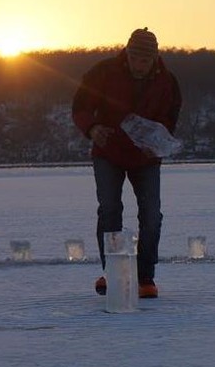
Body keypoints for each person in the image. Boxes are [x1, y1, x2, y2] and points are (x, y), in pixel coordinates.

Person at [72, 28, 182, 298]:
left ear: (154, 58)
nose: (139, 65)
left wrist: (156, 141)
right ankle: (112, 273)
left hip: (145, 157)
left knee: (151, 214)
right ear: (127, 53)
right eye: (134, 58)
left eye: (145, 60)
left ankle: (145, 277)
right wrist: (93, 128)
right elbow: (80, 106)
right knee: (109, 209)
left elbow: (170, 119)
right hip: (108, 152)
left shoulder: (167, 82)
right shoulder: (104, 72)